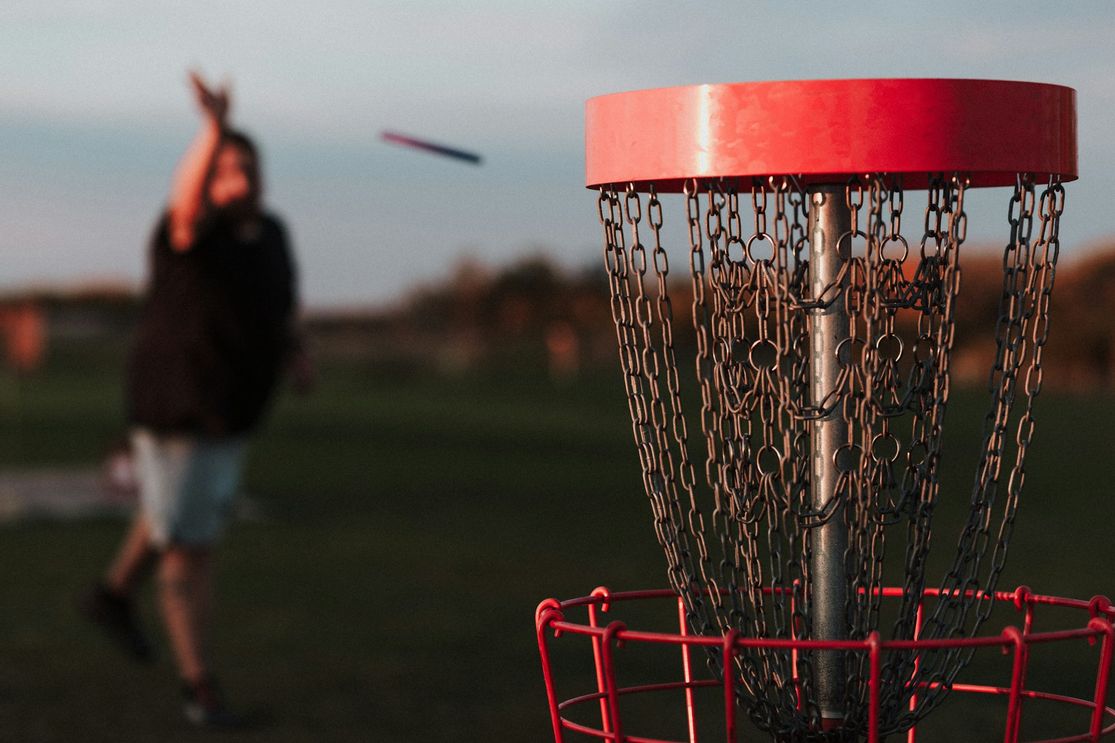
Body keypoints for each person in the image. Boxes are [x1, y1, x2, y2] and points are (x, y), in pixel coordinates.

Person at [79, 71, 312, 729]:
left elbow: (283, 304)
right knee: (190, 546)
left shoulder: (271, 234)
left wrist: (298, 350)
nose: (238, 177)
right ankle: (199, 688)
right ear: (210, 177)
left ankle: (111, 594)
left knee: (172, 516)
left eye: (247, 165)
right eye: (225, 167)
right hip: (178, 406)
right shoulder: (188, 231)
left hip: (233, 413)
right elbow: (185, 202)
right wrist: (212, 130)